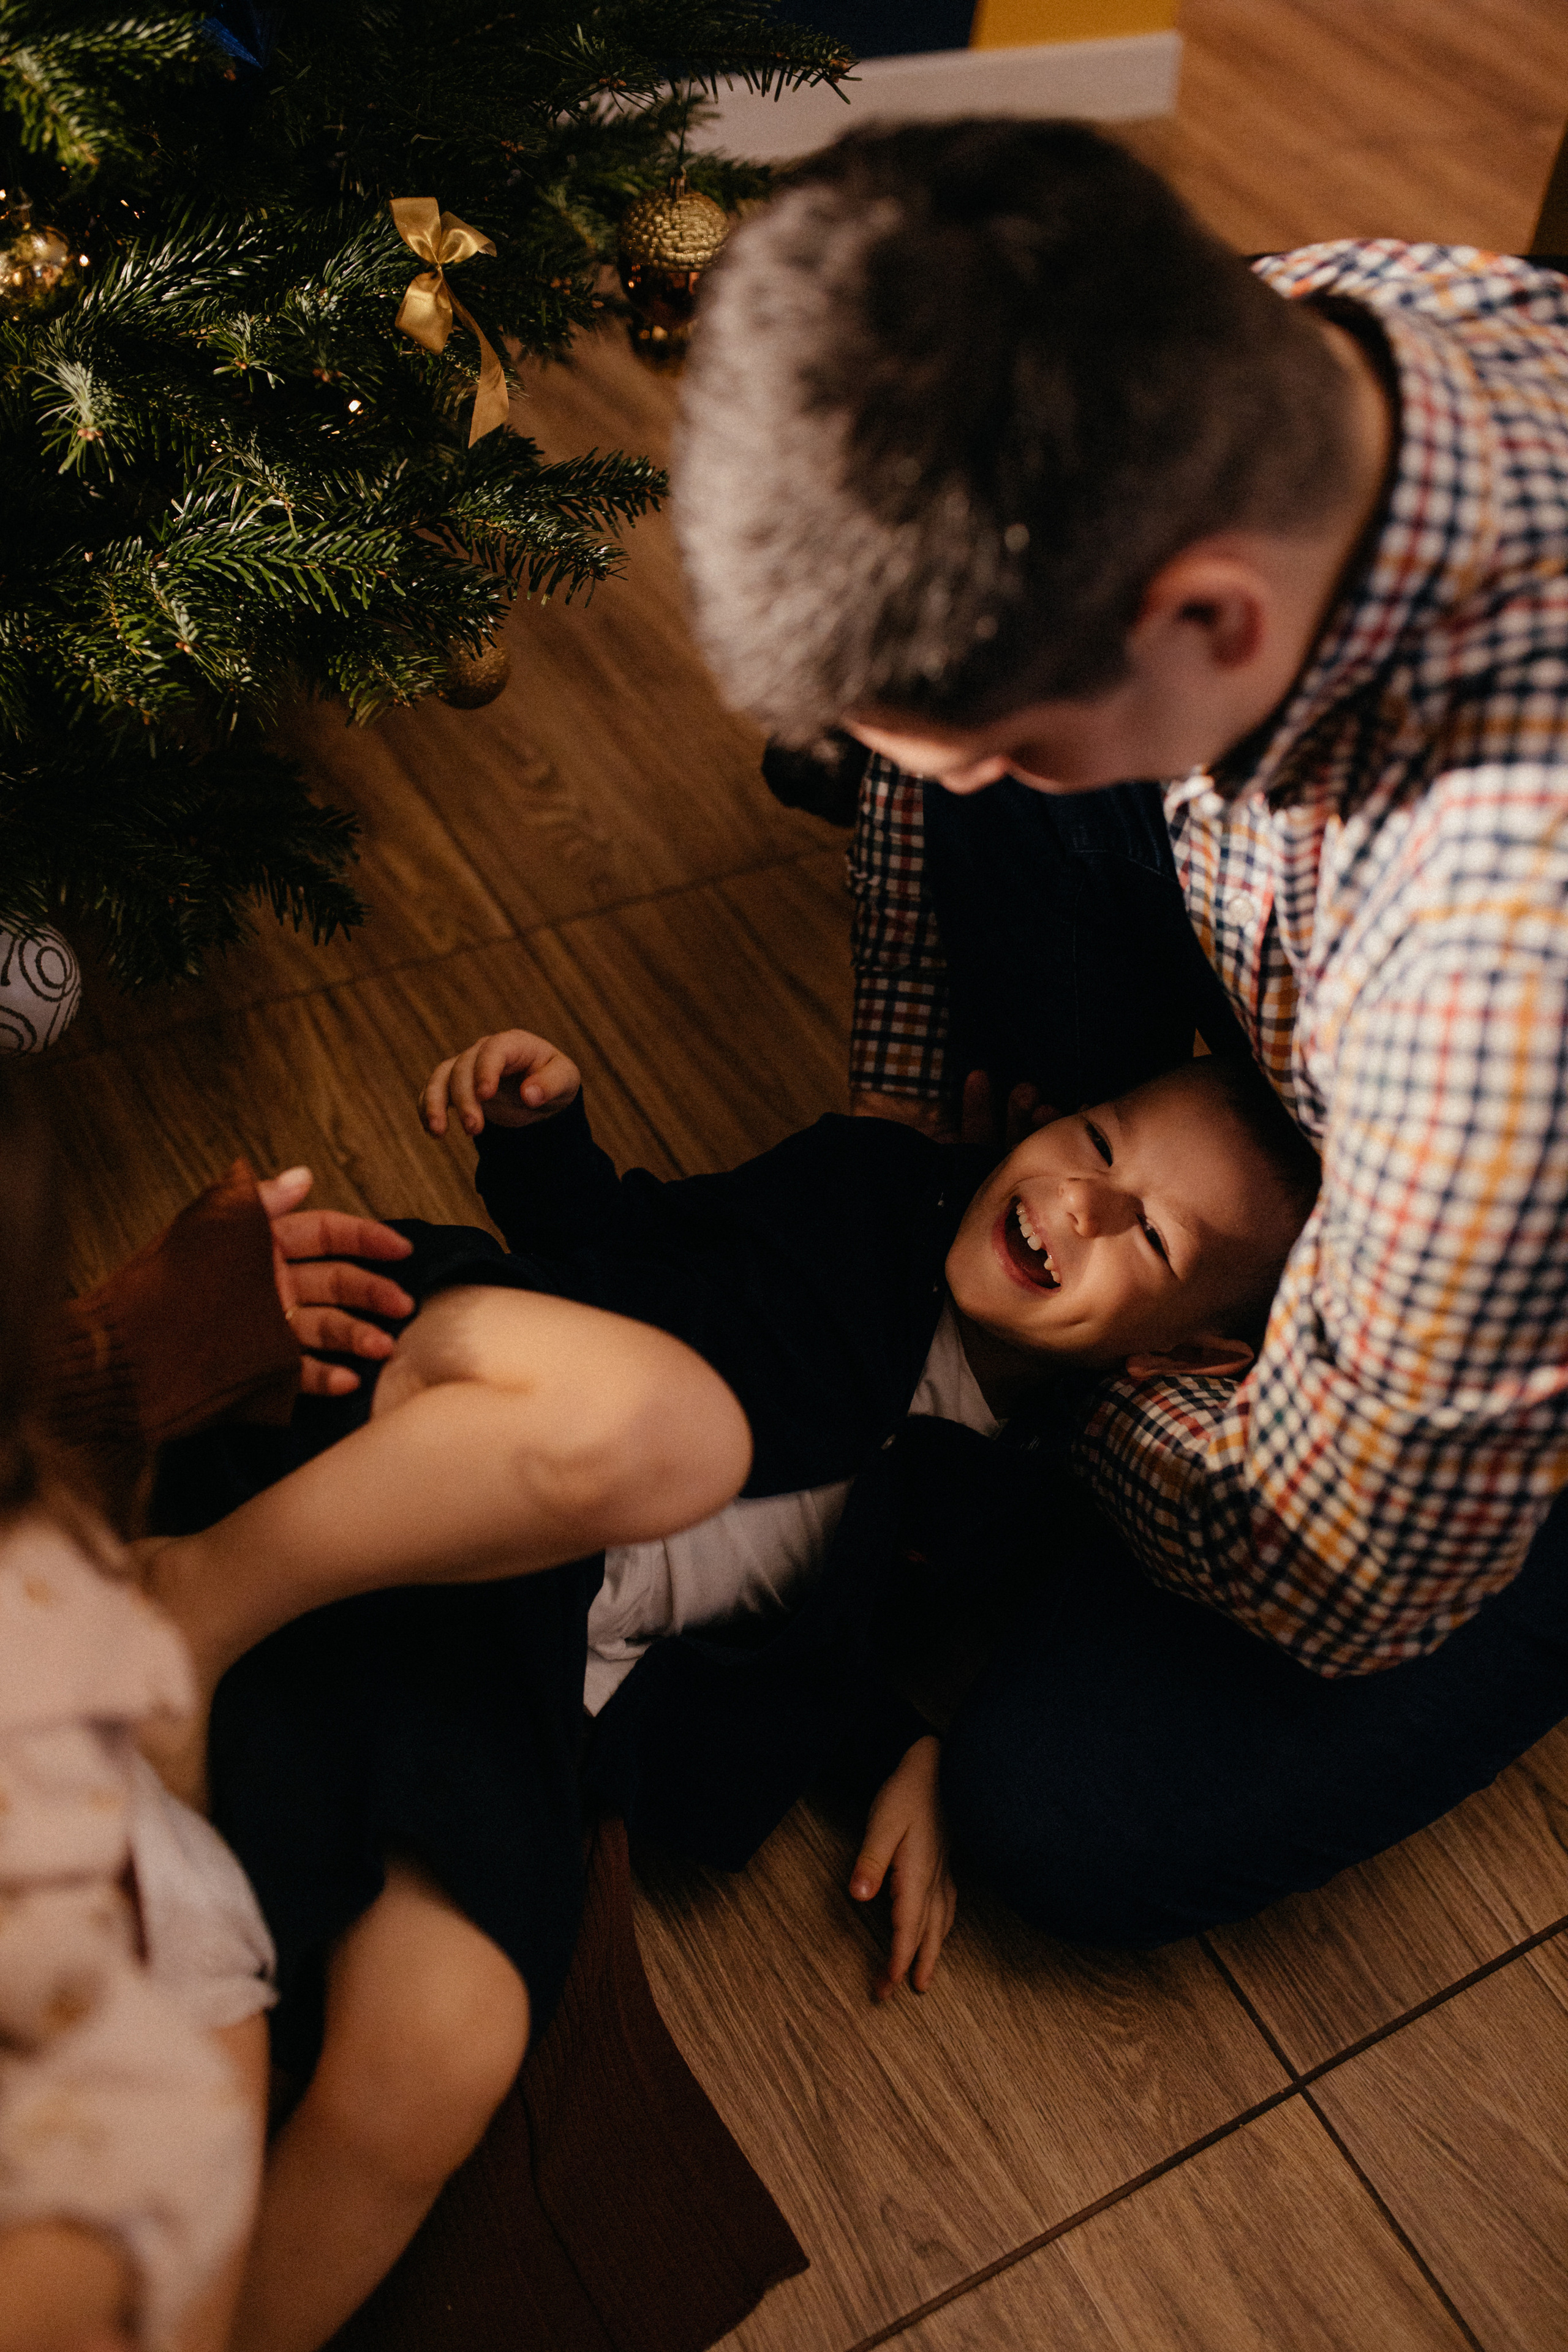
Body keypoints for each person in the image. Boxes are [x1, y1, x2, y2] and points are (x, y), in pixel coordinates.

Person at [669, 115, 1568, 1942]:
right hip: (1346, 1031)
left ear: (1213, 619)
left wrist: (1077, 1391)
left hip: (1483, 1312)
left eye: (1003, 746)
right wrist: (897, 1116)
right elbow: (934, 776)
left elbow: (1343, 1578)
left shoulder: (1501, 971)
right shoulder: (1258, 342)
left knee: (1065, 1809)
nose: (955, 788)